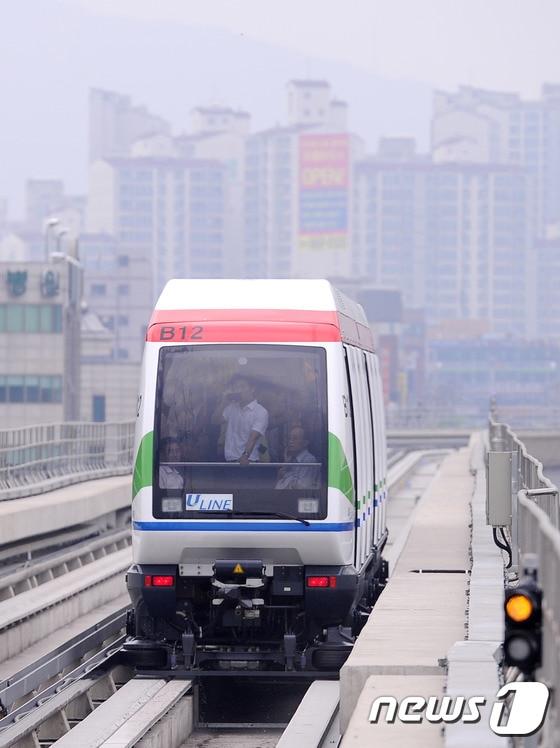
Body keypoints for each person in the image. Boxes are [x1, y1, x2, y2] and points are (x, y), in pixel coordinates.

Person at [221, 375, 269, 465]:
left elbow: (253, 437)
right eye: (236, 387)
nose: (239, 390)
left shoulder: (260, 411)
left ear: (252, 389)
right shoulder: (231, 407)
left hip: (248, 461)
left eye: (242, 386)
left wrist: (245, 455)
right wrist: (224, 401)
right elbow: (215, 421)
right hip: (229, 460)